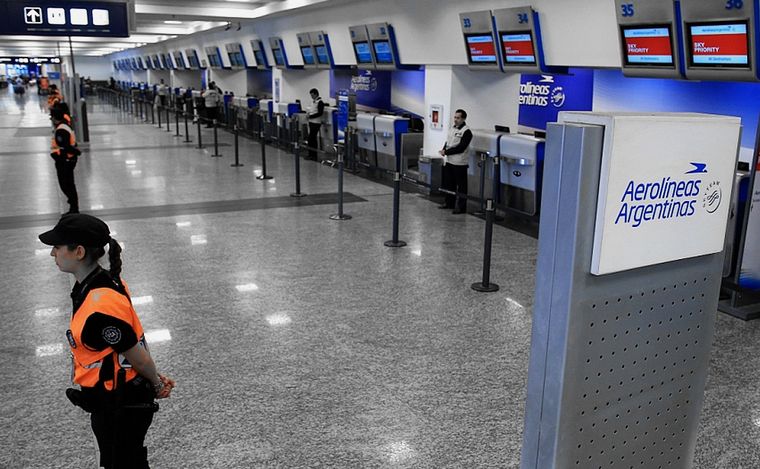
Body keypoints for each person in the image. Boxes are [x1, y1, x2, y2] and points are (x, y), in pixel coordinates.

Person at [38, 213, 176, 469]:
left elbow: (135, 353)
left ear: (78, 251)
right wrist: (152, 377)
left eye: (57, 247)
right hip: (119, 397)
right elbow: (127, 346)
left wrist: (156, 382)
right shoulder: (105, 281)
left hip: (120, 404)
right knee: (126, 460)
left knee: (123, 463)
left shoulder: (98, 306)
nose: (52, 254)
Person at [438, 109, 473, 214]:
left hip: (460, 163)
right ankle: (449, 203)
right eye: (455, 117)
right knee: (449, 184)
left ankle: (461, 207)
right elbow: (448, 141)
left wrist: (447, 152)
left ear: (463, 119)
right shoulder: (452, 128)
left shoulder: (467, 132)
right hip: (450, 161)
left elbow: (461, 148)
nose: (456, 120)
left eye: (458, 118)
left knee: (461, 186)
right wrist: (444, 150)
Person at [50, 107, 81, 214]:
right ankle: (73, 205)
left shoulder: (61, 130)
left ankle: (74, 207)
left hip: (65, 161)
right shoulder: (64, 126)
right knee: (67, 184)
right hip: (66, 160)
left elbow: (66, 146)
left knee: (66, 184)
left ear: (54, 118)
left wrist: (76, 152)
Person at [306, 88, 325, 161]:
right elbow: (312, 110)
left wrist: (311, 116)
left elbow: (320, 113)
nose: (311, 97)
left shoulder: (320, 102)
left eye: (312, 95)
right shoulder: (313, 102)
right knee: (311, 139)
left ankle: (314, 155)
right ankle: (310, 154)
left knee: (312, 138)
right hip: (311, 122)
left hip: (316, 122)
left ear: (316, 94)